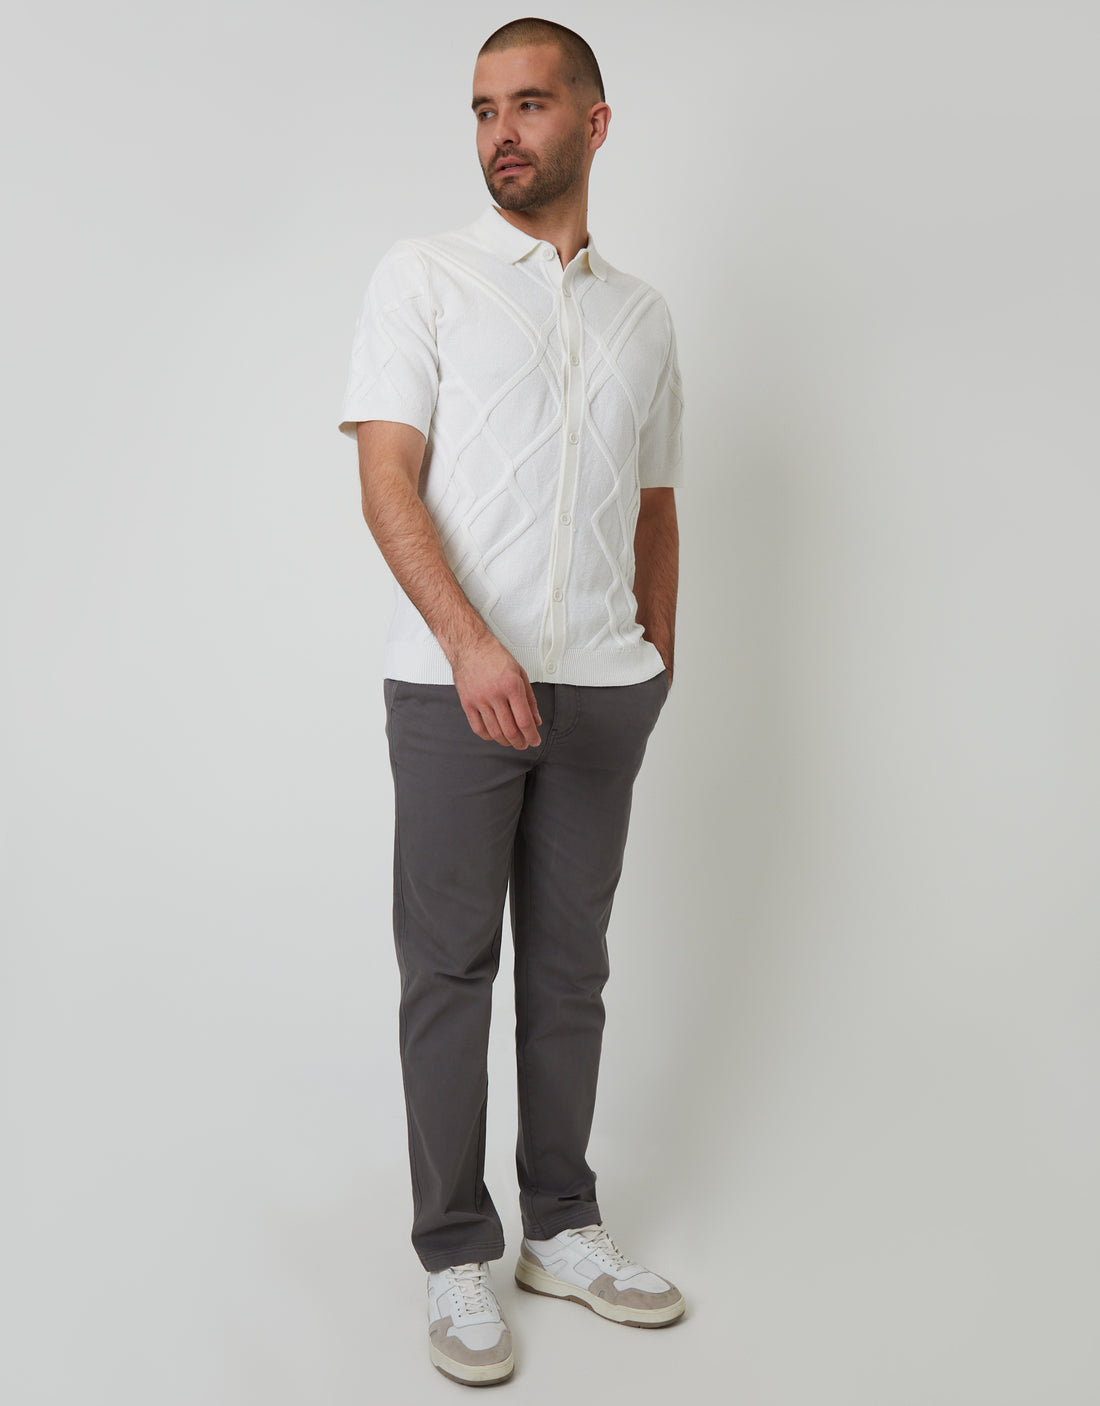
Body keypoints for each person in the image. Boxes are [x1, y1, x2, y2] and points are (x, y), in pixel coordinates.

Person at [338, 17, 686, 1386]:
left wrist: (657, 662)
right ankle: (453, 1250)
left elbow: (656, 505)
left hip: (602, 688)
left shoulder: (644, 316)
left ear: (592, 124)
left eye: (530, 105)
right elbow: (386, 477)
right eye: (484, 108)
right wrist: (472, 646)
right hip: (452, 687)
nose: (501, 132)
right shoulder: (422, 277)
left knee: (570, 968)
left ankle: (564, 1224)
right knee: (448, 970)